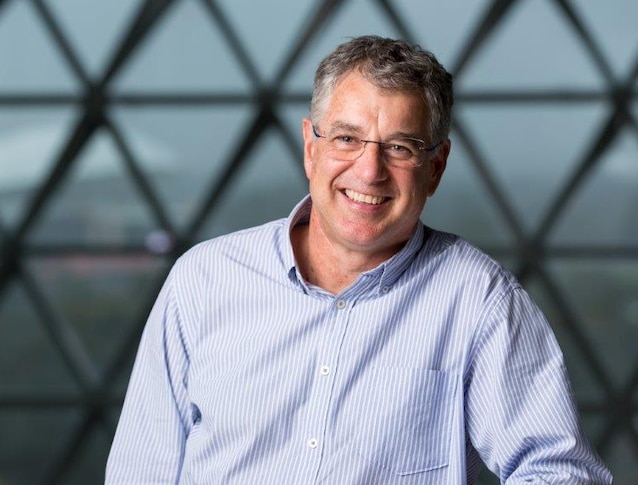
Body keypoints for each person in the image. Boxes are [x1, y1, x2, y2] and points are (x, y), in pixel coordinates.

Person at [105, 35, 613, 484]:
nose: (369, 171)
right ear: (311, 147)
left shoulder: (479, 301)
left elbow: (559, 473)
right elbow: (141, 470)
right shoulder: (204, 279)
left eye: (400, 147)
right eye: (347, 138)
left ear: (435, 168)